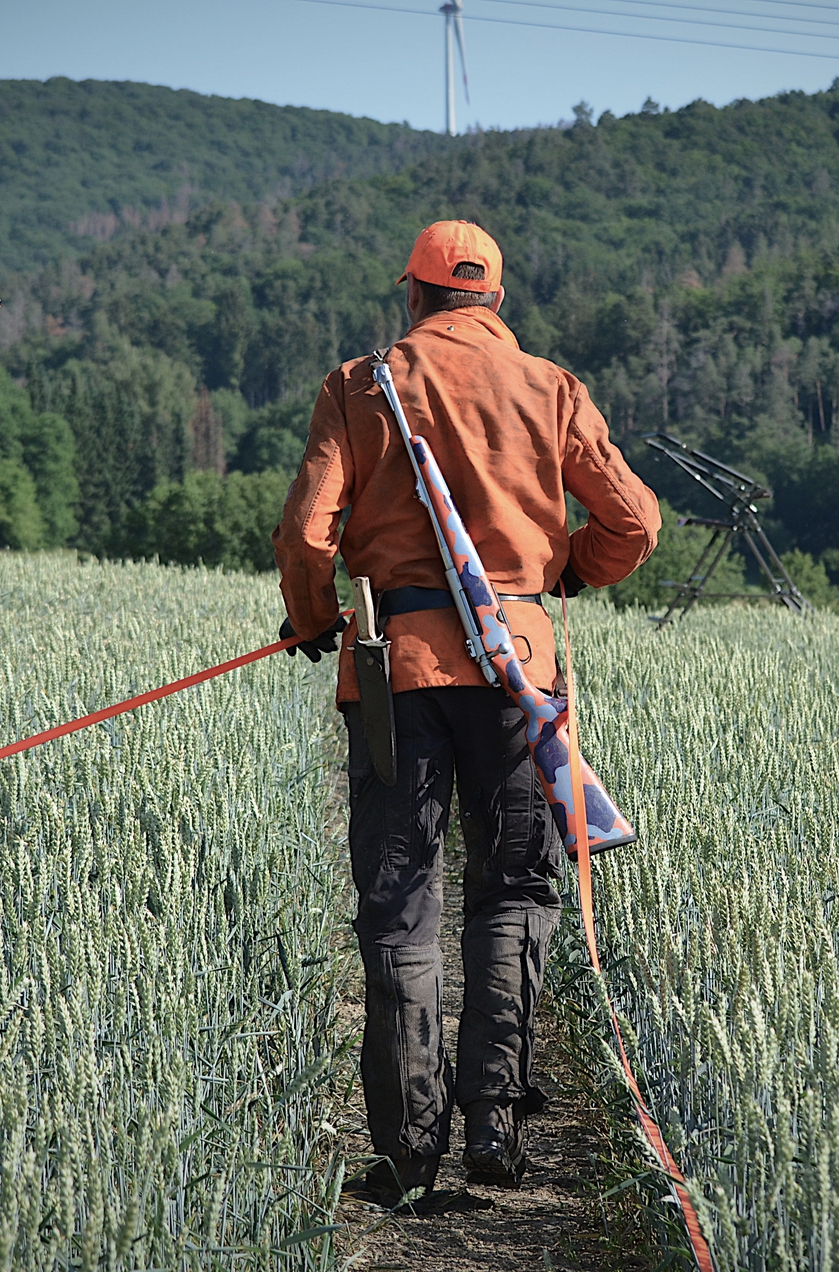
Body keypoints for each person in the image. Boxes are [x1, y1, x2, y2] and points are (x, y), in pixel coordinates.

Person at [272, 220, 660, 1207]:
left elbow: (307, 533)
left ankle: (410, 1149)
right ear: (494, 301)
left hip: (396, 676)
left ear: (413, 295)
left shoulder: (360, 386)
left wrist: (311, 620)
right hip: (517, 677)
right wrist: (565, 574)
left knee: (400, 900)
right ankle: (495, 1120)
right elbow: (634, 522)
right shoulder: (552, 388)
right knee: (516, 887)